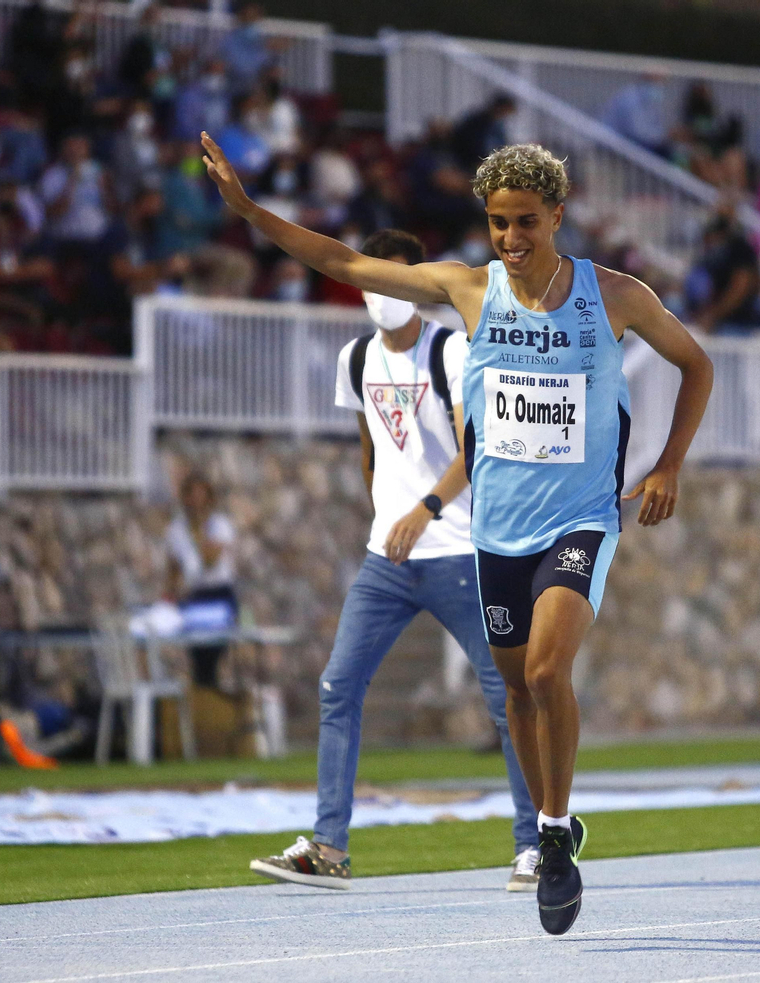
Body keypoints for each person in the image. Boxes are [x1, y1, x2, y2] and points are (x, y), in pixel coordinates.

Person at [202, 133, 713, 934]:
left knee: (546, 668)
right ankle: (549, 824)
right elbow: (343, 263)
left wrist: (668, 464)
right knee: (515, 692)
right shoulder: (468, 289)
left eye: (527, 221)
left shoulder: (614, 296)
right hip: (497, 530)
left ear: (558, 215)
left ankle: (551, 835)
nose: (511, 238)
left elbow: (696, 364)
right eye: (499, 222)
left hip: (581, 518)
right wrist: (248, 211)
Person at [249, 229, 541, 894]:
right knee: (337, 687)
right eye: (372, 279)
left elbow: (475, 447)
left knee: (507, 699)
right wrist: (389, 517)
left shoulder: (451, 349)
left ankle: (536, 844)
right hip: (387, 557)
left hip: (458, 548)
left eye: (395, 277)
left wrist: (426, 508)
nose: (382, 292)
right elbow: (370, 451)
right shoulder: (354, 359)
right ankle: (330, 847)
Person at [163, 472, 237, 689]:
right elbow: (174, 566)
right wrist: (170, 593)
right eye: (191, 496)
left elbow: (210, 559)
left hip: (218, 592)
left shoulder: (219, 525)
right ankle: (203, 693)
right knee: (197, 654)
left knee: (214, 650)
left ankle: (210, 691)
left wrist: (197, 531)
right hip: (196, 594)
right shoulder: (176, 529)